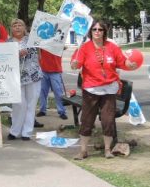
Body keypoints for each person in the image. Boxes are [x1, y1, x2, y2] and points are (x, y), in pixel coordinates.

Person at [70, 19, 138, 160]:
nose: (97, 32)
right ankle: (83, 151)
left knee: (108, 121)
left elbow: (121, 61)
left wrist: (129, 64)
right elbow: (75, 65)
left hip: (109, 90)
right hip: (91, 90)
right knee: (87, 120)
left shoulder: (111, 47)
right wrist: (75, 64)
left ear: (104, 32)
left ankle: (107, 150)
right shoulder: (84, 48)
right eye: (94, 29)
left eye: (100, 29)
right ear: (90, 32)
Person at [7, 19, 42, 141]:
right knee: (18, 104)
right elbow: (5, 58)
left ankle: (27, 132)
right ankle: (14, 131)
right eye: (14, 25)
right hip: (16, 77)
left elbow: (41, 50)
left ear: (24, 27)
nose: (17, 27)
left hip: (33, 76)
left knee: (31, 104)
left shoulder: (32, 40)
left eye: (20, 25)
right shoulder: (8, 42)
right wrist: (17, 54)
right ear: (11, 28)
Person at [37, 48, 68, 120]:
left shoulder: (58, 42)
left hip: (55, 70)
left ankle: (62, 111)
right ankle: (42, 110)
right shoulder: (43, 41)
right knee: (43, 91)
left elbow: (64, 47)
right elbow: (38, 51)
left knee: (58, 92)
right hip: (43, 69)